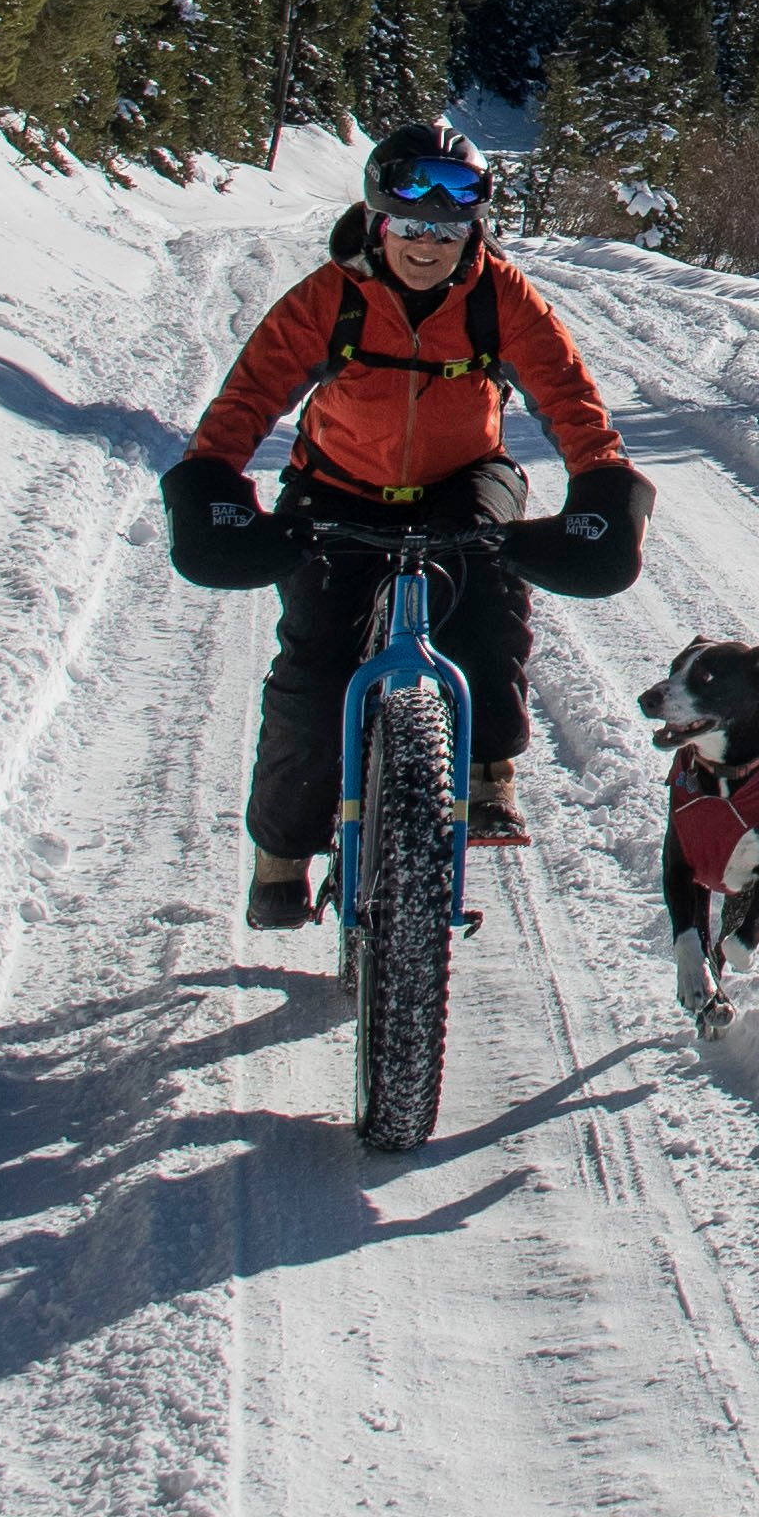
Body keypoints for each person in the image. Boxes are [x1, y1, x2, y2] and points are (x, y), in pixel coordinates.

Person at [160, 126, 652, 930]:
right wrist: (214, 475)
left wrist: (601, 479)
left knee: (491, 596)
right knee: (316, 670)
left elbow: (569, 398)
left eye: (451, 228)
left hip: (463, 478)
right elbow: (250, 395)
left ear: (474, 232)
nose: (430, 243)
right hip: (339, 486)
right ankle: (282, 854)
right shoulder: (330, 298)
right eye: (413, 227)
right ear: (379, 222)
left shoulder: (502, 297)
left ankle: (489, 769)